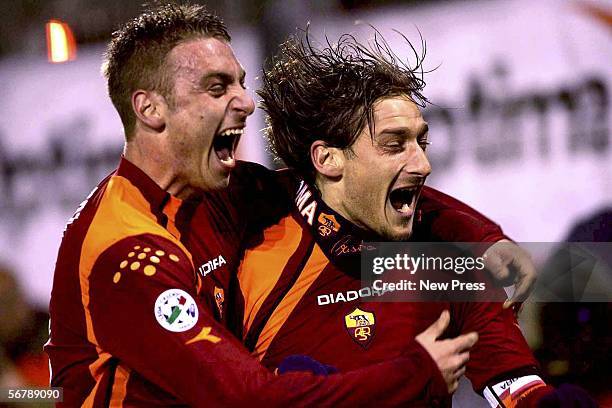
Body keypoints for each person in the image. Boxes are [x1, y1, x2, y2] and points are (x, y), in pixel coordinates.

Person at [45, 3, 487, 406]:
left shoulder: (219, 193)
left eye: (240, 82)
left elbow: (356, 188)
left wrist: (485, 242)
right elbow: (251, 400)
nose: (247, 102)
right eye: (217, 88)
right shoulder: (127, 253)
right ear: (150, 109)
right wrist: (416, 373)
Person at [232, 30, 596, 407]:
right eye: (394, 145)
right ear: (327, 159)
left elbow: (517, 387)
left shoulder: (450, 265)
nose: (423, 165)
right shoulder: (248, 247)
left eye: (421, 142)